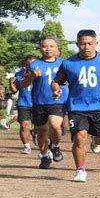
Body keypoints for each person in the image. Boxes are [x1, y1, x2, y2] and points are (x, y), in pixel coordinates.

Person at [52, 30, 100, 182]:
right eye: (83, 44)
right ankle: (80, 169)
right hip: (77, 107)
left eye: (90, 44)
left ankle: (95, 140)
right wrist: (56, 89)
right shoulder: (68, 63)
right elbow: (56, 81)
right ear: (77, 44)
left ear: (96, 43)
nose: (86, 47)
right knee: (79, 137)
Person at [21, 35, 68, 170]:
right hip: (39, 102)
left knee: (55, 125)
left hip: (58, 101)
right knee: (42, 132)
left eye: (51, 46)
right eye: (44, 46)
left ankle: (56, 146)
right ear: (40, 48)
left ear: (57, 48)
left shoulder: (64, 63)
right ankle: (44, 156)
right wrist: (32, 76)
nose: (48, 49)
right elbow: (23, 84)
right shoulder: (33, 65)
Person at [11, 55, 36, 154]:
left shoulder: (40, 73)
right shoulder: (19, 74)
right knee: (24, 125)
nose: (30, 66)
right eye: (28, 64)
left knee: (40, 127)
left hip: (37, 103)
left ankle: (35, 132)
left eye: (32, 64)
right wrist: (11, 84)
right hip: (24, 103)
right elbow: (14, 91)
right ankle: (26, 146)